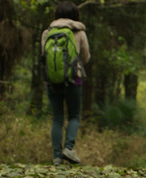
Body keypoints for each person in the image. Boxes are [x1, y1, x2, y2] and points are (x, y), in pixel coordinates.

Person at [42, 1, 90, 166]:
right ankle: (68, 148)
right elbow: (86, 57)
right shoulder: (79, 32)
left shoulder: (47, 33)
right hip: (73, 79)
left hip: (52, 81)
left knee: (57, 118)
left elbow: (44, 56)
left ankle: (56, 157)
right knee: (74, 116)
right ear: (75, 16)